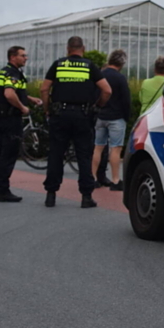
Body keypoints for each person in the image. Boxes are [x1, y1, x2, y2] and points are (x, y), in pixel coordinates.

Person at [40, 37, 111, 208]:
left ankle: (51, 195)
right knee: (84, 156)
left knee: (56, 154)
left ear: (68, 49)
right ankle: (86, 196)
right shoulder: (90, 66)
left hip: (60, 115)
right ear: (83, 49)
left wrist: (47, 109)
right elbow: (107, 90)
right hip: (83, 116)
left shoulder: (58, 64)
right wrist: (97, 106)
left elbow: (44, 88)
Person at [0, 46, 42, 202]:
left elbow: (14, 91)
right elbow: (9, 94)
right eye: (22, 55)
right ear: (13, 57)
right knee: (9, 155)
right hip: (11, 118)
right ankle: (3, 191)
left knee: (1, 155)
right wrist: (23, 107)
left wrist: (29, 99)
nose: (26, 58)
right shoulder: (13, 73)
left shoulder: (4, 71)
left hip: (2, 117)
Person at [92, 49, 132, 191]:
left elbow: (94, 95)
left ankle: (93, 178)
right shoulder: (120, 78)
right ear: (122, 63)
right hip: (116, 117)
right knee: (115, 149)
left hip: (101, 116)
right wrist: (127, 117)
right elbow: (126, 100)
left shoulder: (100, 75)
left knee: (98, 147)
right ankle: (115, 180)